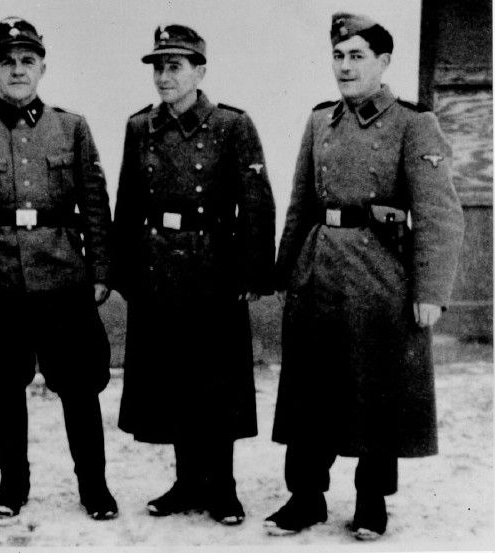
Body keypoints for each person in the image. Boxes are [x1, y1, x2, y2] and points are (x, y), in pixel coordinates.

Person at [265, 12, 464, 541]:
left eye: (357, 56)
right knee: (309, 389)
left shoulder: (412, 122)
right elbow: (300, 203)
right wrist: (287, 271)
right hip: (318, 272)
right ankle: (304, 496)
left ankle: (372, 501)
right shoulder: (319, 120)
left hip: (382, 279)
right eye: (338, 55)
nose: (345, 66)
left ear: (383, 62)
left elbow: (441, 214)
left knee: (377, 391)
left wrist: (430, 291)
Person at [0, 17, 117, 521]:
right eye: (7, 61)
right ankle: (12, 486)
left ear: (41, 67)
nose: (17, 70)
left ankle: (94, 488)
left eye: (27, 61)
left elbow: (95, 203)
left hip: (63, 275)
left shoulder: (71, 127)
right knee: (4, 386)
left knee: (79, 386)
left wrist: (101, 270)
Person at [111, 24, 276, 525]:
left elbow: (256, 202)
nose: (163, 76)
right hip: (157, 267)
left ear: (199, 71)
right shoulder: (141, 127)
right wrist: (123, 269)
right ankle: (186, 483)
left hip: (213, 269)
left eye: (174, 66)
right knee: (171, 378)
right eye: (158, 67)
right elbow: (128, 202)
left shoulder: (231, 125)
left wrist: (252, 269)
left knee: (215, 380)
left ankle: (222, 488)